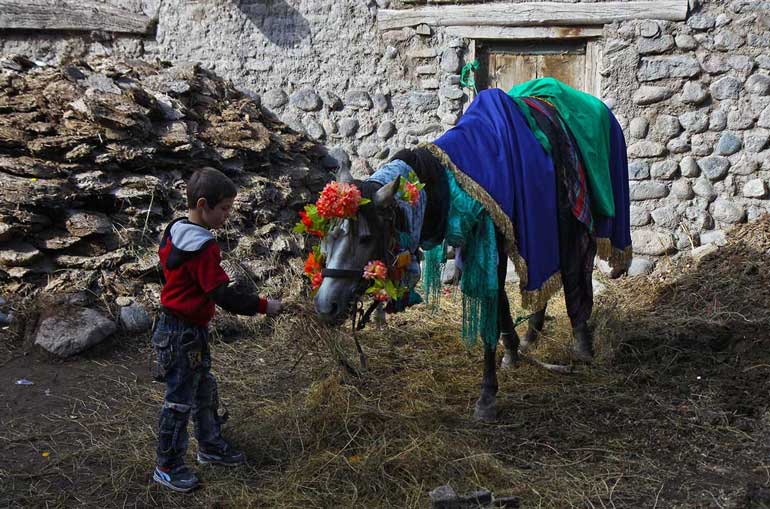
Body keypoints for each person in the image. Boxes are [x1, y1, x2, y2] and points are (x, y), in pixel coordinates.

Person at [151, 167, 282, 493]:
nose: (227, 216)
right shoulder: (203, 247)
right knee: (179, 401)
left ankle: (209, 446)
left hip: (182, 328)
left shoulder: (175, 230)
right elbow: (223, 294)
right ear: (202, 204)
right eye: (223, 209)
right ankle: (167, 466)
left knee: (203, 390)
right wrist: (266, 305)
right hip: (182, 332)